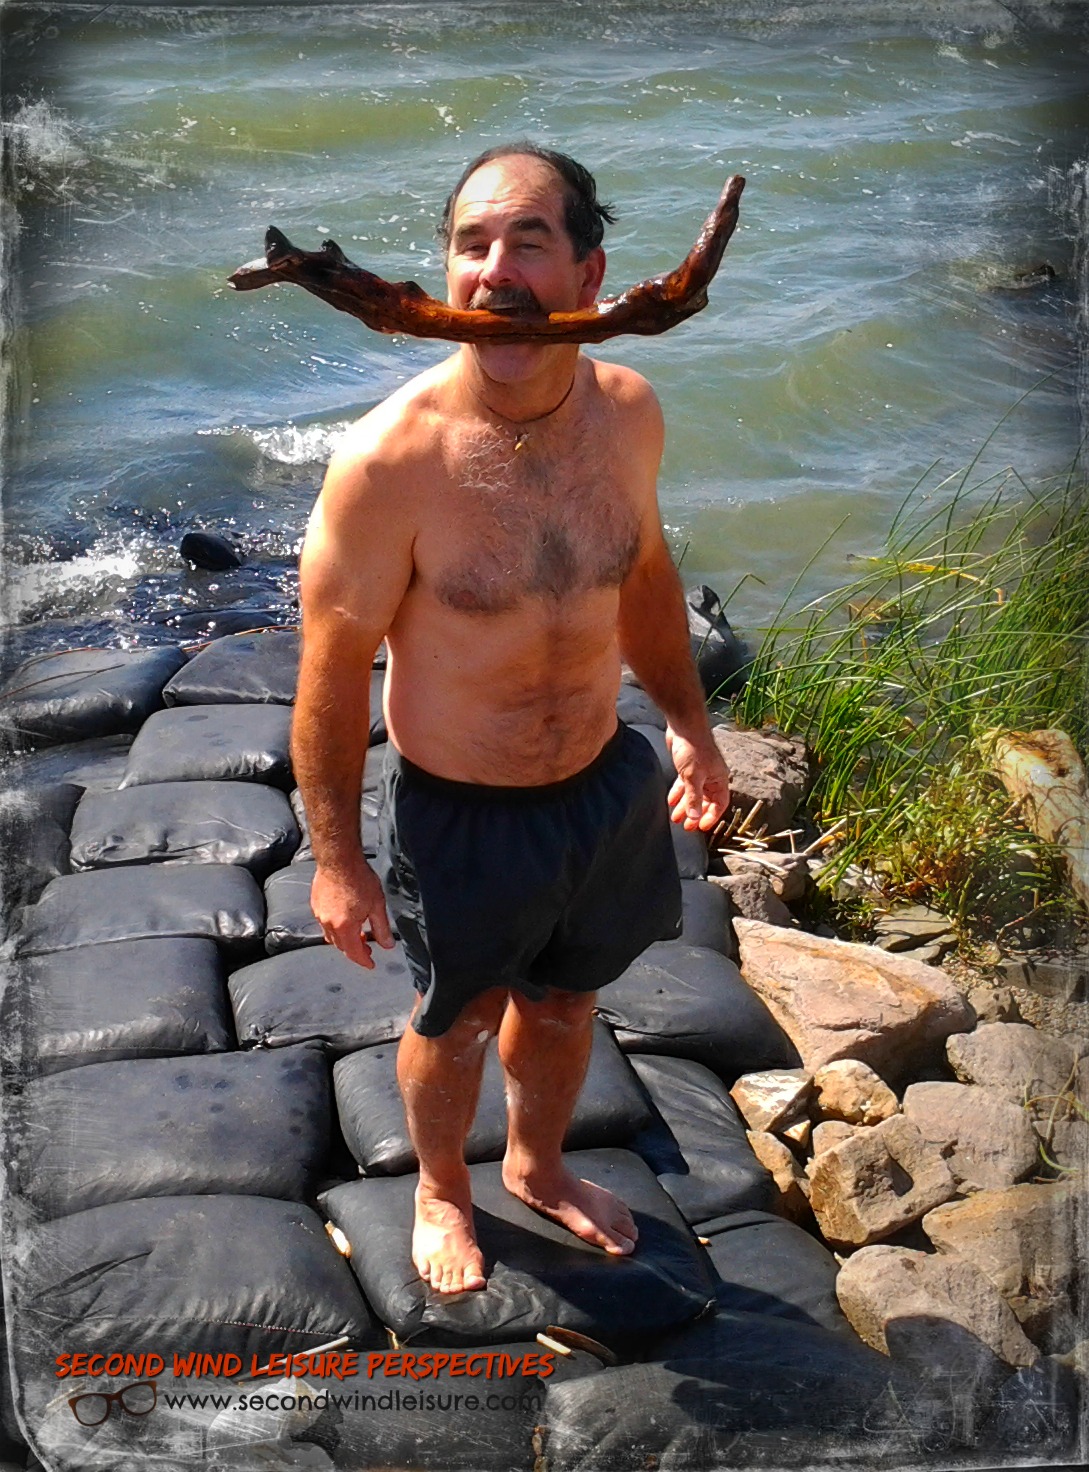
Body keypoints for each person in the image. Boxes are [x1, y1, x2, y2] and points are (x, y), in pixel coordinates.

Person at [292, 142, 731, 1296]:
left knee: (571, 997)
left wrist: (690, 725)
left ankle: (537, 1162)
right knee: (459, 1015)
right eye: (471, 244)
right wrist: (336, 859)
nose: (494, 271)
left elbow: (645, 577)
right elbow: (331, 672)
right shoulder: (389, 462)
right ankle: (442, 1185)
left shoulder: (628, 412)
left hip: (601, 781)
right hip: (462, 811)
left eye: (528, 241)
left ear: (591, 275)